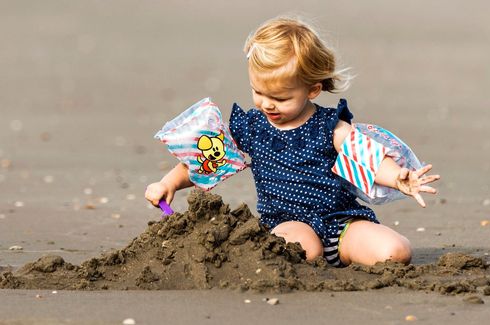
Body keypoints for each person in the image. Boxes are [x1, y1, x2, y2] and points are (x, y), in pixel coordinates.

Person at [145, 16, 440, 267]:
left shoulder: (329, 126)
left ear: (312, 90)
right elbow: (207, 158)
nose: (268, 104)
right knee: (303, 250)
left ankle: (340, 254)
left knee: (396, 252)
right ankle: (303, 258)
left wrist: (398, 177)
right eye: (258, 92)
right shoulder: (252, 127)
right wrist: (168, 183)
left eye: (281, 98)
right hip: (286, 223)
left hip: (341, 222)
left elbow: (368, 159)